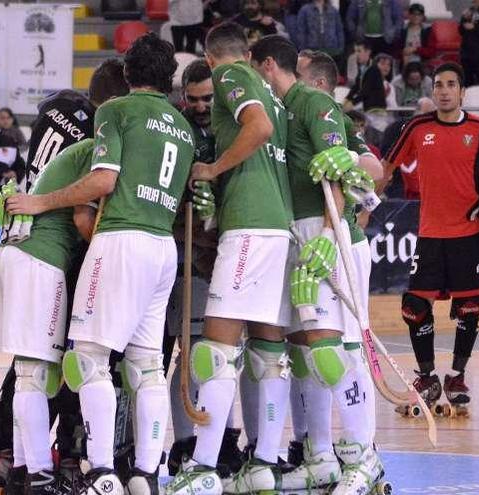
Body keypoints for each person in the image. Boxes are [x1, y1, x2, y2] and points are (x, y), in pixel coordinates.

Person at [5, 33, 194, 495]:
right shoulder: (184, 128)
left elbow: (103, 179)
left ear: (128, 73)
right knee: (147, 366)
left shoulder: (116, 111)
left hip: (122, 240)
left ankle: (103, 473)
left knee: (89, 361)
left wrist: (40, 201)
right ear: (169, 80)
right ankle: (145, 476)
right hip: (162, 246)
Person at [0, 58, 132, 495]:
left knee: (29, 367)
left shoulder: (55, 110)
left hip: (16, 247)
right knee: (63, 364)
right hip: (47, 254)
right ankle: (55, 466)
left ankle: (13, 459)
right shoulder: (100, 142)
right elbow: (88, 206)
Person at [163, 22, 292, 495]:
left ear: (210, 56)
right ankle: (264, 463)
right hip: (277, 225)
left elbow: (254, 128)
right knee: (268, 351)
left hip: (251, 224)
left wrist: (214, 167)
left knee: (215, 351)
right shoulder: (273, 91)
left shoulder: (229, 77)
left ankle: (201, 468)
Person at [383, 63, 479, 412]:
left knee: (469, 308)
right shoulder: (418, 127)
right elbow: (387, 169)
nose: (444, 91)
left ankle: (456, 376)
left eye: (451, 85)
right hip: (430, 234)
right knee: (414, 307)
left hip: (470, 233)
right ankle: (427, 377)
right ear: (432, 91)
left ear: (462, 92)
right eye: (438, 85)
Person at [289, 47, 386, 494]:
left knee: (345, 350)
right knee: (311, 354)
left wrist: (348, 162)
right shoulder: (289, 115)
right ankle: (321, 453)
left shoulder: (330, 116)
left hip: (344, 243)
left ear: (319, 84)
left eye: (299, 73)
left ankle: (365, 453)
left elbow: (373, 168)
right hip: (306, 240)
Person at [24, 59, 128, 191]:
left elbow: (41, 106)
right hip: (55, 207)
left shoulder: (59, 99)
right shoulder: (99, 134)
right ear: (113, 100)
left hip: (28, 197)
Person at [380, 96, 436, 199]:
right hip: (398, 181)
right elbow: (386, 155)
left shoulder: (437, 130)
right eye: (427, 114)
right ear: (417, 112)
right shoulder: (395, 129)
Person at [395, 3, 435, 68]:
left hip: (422, 65)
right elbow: (396, 50)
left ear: (423, 16)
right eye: (413, 14)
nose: (416, 17)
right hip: (405, 65)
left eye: (419, 14)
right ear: (409, 15)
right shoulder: (402, 30)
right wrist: (403, 53)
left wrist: (415, 49)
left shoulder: (428, 30)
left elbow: (431, 52)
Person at [345, 40, 373, 109]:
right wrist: (346, 99)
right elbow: (352, 80)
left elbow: (365, 91)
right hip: (356, 93)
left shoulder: (373, 68)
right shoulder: (353, 59)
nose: (356, 54)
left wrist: (352, 103)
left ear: (368, 52)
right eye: (355, 51)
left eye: (359, 51)